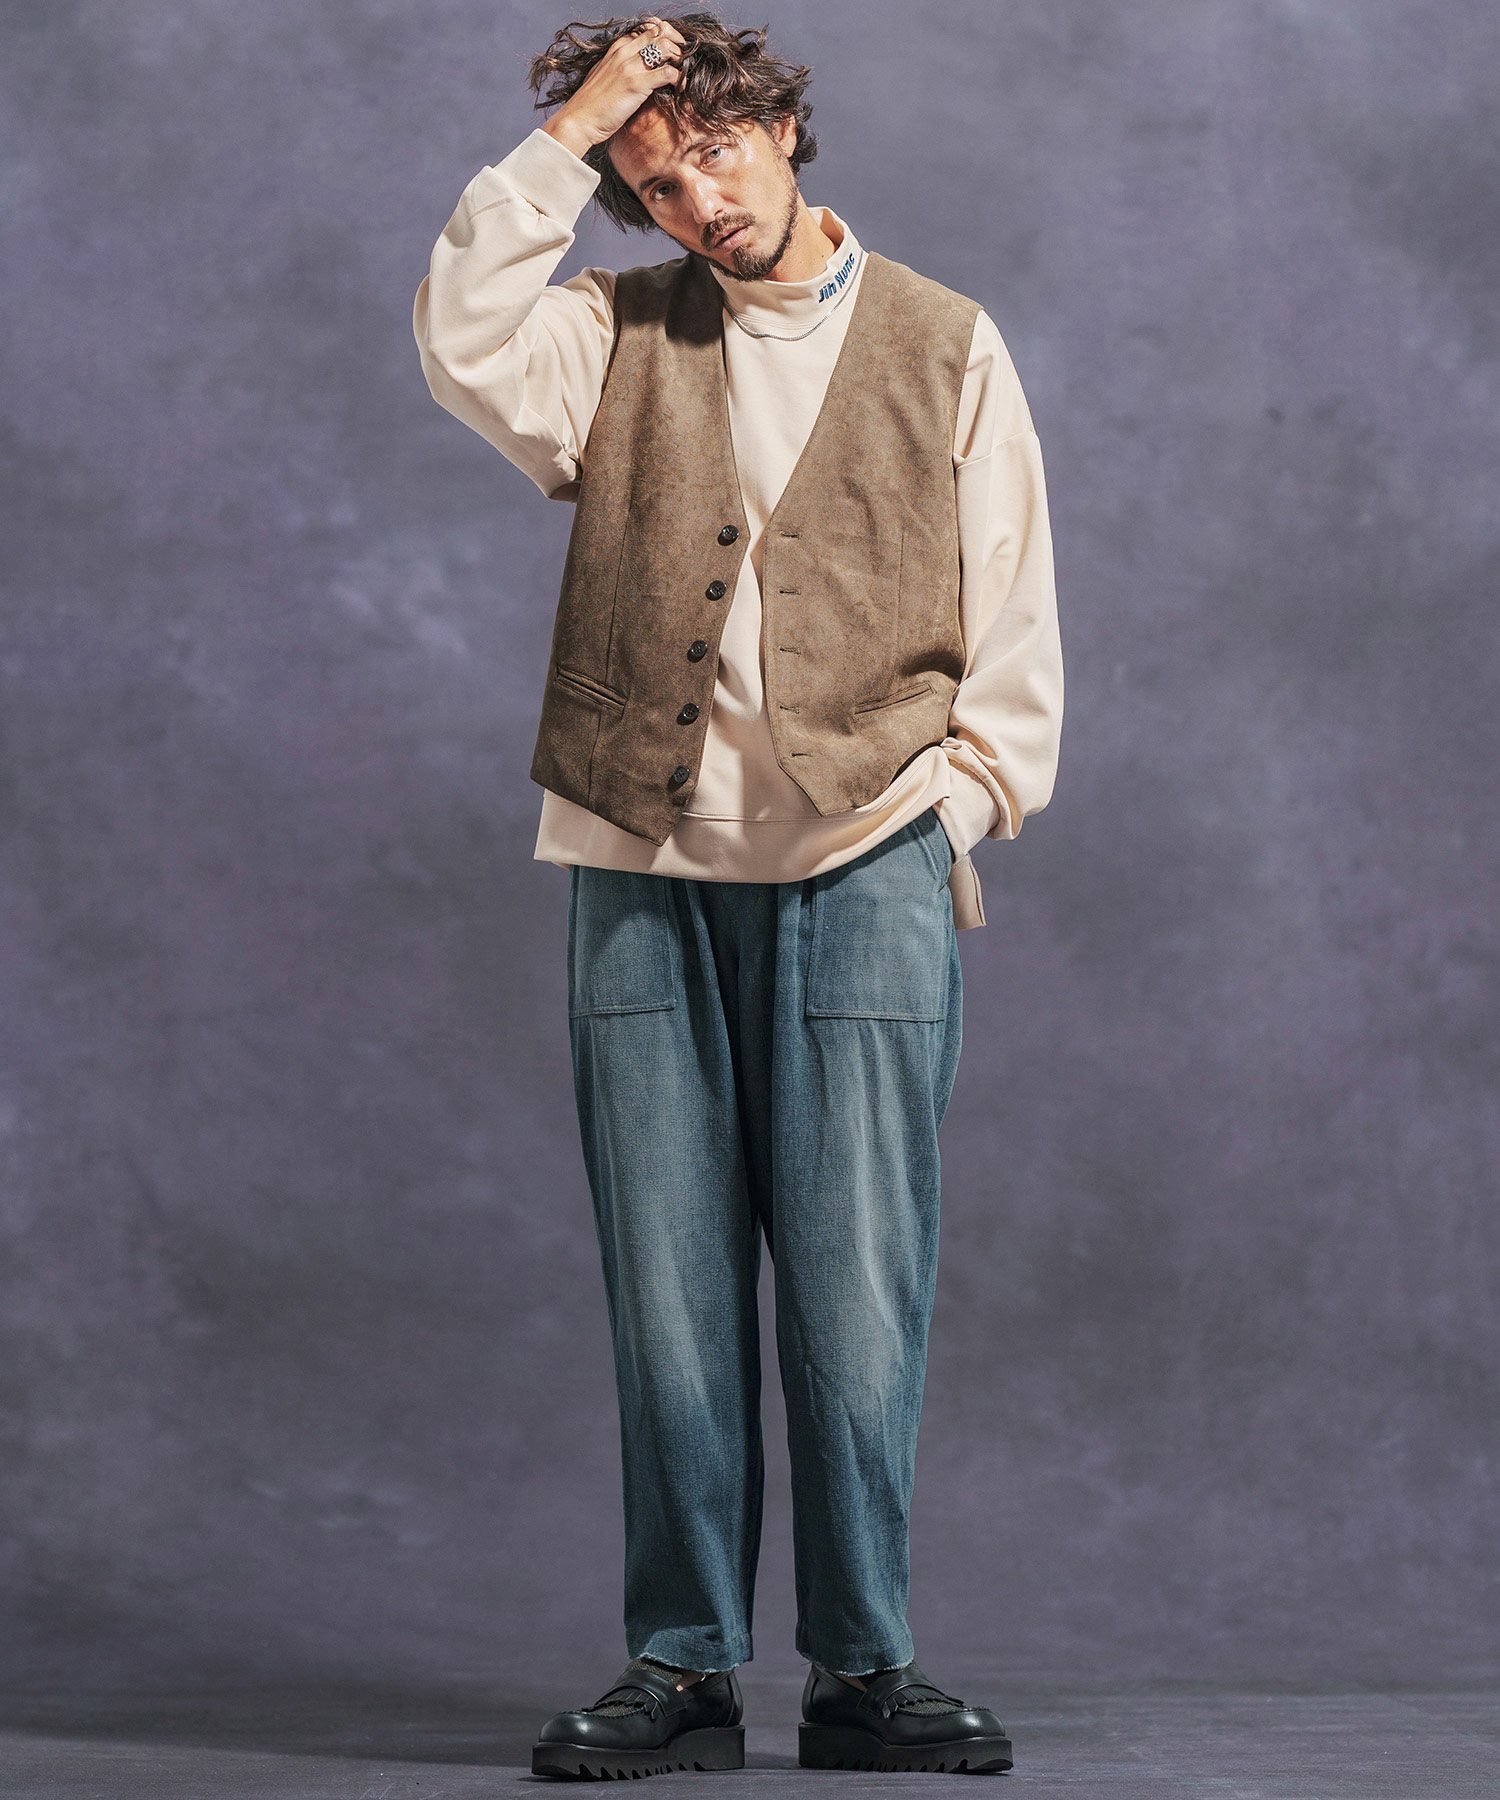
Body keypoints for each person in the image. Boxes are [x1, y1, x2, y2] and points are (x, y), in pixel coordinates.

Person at [413, 8, 1061, 1778]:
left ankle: (864, 1670)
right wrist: (574, 136)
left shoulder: (946, 339)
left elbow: (1014, 608)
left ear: (779, 129)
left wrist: (955, 808)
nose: (695, 197)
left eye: (710, 151)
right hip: (635, 863)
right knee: (671, 1293)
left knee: (857, 1292)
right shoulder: (609, 333)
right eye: (655, 180)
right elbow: (458, 336)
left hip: (868, 858)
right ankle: (683, 1665)